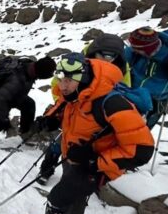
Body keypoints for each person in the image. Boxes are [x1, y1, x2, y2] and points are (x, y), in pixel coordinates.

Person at [33, 53, 154, 214]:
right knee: (75, 192)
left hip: (96, 165)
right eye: (60, 79)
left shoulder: (112, 103)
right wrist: (50, 122)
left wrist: (93, 160)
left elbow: (141, 149)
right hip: (73, 155)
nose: (63, 85)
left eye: (69, 80)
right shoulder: (75, 94)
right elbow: (66, 113)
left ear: (84, 78)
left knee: (57, 198)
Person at [37, 33, 133, 183]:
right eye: (103, 55)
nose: (107, 60)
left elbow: (124, 89)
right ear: (95, 52)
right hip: (73, 108)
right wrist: (65, 105)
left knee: (79, 149)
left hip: (95, 114)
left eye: (111, 57)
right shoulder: (80, 60)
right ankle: (46, 169)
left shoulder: (122, 66)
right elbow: (58, 83)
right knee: (60, 142)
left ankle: (69, 181)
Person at [124, 27, 168, 127]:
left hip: (155, 102)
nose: (132, 50)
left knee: (141, 131)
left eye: (137, 49)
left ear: (149, 48)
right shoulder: (134, 50)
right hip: (131, 93)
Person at [0, 56, 56, 145]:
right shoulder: (16, 80)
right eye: (49, 73)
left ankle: (25, 133)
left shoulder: (31, 68)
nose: (51, 75)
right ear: (42, 72)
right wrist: (4, 119)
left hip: (14, 95)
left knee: (29, 105)